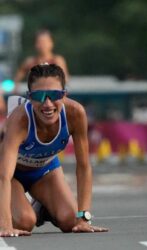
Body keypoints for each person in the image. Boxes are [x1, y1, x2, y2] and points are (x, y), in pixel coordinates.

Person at [0, 64, 108, 237]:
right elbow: (4, 176)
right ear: (29, 97)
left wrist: (84, 218)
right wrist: (5, 224)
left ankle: (43, 208)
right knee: (25, 222)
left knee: (70, 221)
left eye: (54, 95)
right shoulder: (20, 120)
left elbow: (84, 166)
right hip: (10, 175)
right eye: (39, 96)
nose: (47, 104)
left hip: (44, 171)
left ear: (64, 94)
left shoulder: (75, 113)